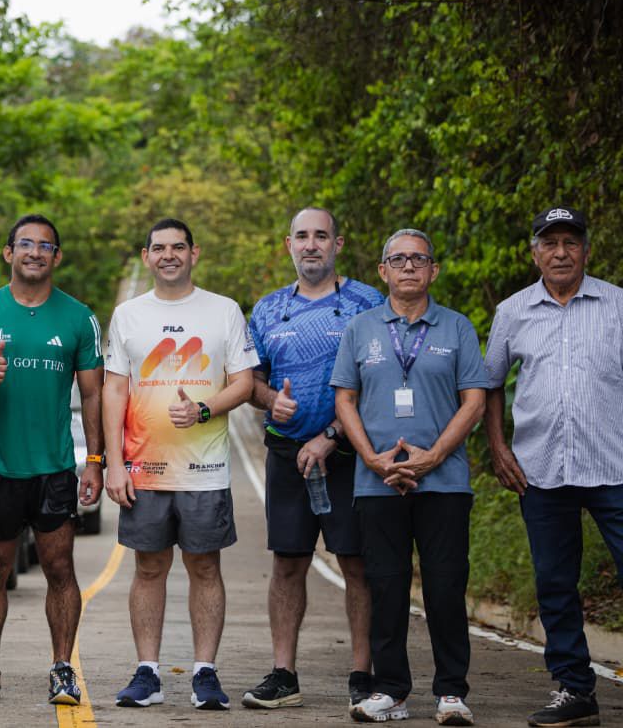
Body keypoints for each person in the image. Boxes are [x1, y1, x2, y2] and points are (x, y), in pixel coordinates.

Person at [331, 228, 486, 726]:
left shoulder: (457, 327)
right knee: (386, 589)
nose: (409, 267)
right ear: (383, 271)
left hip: (445, 481)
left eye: (419, 259)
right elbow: (345, 400)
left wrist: (433, 456)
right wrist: (374, 460)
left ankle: (451, 693)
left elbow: (474, 401)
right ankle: (391, 691)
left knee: (445, 587)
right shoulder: (360, 328)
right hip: (377, 482)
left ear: (433, 270)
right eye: (398, 260)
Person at [103, 217, 258, 711]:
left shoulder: (223, 310)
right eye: (159, 248)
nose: (168, 255)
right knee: (148, 568)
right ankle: (147, 673)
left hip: (204, 469)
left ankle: (204, 673)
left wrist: (204, 410)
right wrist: (113, 464)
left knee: (205, 567)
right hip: (144, 469)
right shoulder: (128, 315)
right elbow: (114, 389)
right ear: (146, 257)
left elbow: (244, 382)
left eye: (178, 247)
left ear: (194, 253)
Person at [0, 214, 105, 706]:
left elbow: (93, 395)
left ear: (56, 257)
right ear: (9, 253)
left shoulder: (79, 318)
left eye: (45, 246)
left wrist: (95, 460)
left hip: (54, 468)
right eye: (26, 244)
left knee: (59, 568)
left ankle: (62, 669)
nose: (35, 252)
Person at [483, 206, 623, 728]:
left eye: (570, 242)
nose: (561, 252)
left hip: (615, 467)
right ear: (535, 252)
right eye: (550, 243)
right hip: (540, 471)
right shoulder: (513, 311)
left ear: (586, 249)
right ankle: (575, 690)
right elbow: (490, 384)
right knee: (555, 585)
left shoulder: (617, 305)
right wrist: (499, 448)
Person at [244, 207, 381, 711]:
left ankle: (363, 675)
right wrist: (269, 400)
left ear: (337, 244)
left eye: (321, 236)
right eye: (301, 236)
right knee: (287, 563)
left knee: (356, 564)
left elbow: (379, 382)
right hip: (286, 453)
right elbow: (250, 381)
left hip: (348, 452)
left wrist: (331, 436)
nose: (311, 244)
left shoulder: (368, 302)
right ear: (289, 245)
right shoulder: (267, 309)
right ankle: (284, 675)